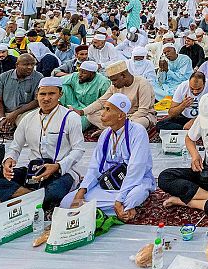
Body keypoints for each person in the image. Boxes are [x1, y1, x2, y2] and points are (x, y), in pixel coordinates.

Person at [0, 77, 85, 208]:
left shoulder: (71, 117)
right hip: (33, 172)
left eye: (51, 94)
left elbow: (78, 150)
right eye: (43, 94)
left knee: (55, 193)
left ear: (60, 94)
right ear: (37, 95)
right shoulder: (28, 118)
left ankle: (10, 198)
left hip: (61, 172)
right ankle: (30, 196)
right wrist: (8, 160)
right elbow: (15, 146)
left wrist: (58, 166)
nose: (46, 98)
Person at [62, 93, 155, 221]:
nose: (102, 114)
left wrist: (120, 198)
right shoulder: (105, 134)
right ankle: (118, 209)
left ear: (120, 115)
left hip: (135, 182)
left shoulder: (138, 132)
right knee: (66, 202)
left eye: (107, 109)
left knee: (132, 198)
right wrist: (81, 192)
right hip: (107, 182)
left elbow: (136, 169)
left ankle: (114, 206)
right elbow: (95, 167)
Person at [78, 60, 156, 130]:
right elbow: (101, 102)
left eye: (114, 80)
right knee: (91, 116)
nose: (113, 83)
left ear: (123, 76)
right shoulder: (114, 86)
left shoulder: (142, 84)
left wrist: (123, 121)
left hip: (140, 116)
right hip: (120, 116)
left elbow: (143, 110)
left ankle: (112, 130)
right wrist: (82, 112)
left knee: (139, 123)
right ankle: (118, 129)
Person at [0, 53, 42, 132]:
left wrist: (15, 114)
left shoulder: (38, 77)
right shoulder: (3, 77)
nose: (30, 67)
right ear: (17, 65)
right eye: (26, 64)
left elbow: (37, 101)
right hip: (6, 114)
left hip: (25, 113)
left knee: (26, 126)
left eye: (33, 64)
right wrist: (2, 118)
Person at [59, 60, 110, 130]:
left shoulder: (103, 83)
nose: (80, 74)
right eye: (80, 71)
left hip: (89, 110)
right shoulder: (75, 76)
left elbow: (104, 103)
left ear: (92, 74)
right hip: (74, 102)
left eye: (84, 73)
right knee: (62, 87)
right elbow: (57, 81)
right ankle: (59, 111)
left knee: (74, 127)